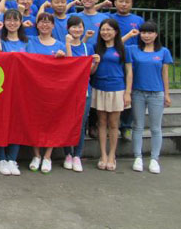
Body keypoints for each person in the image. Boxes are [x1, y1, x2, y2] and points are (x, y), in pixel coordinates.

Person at [125, 21, 173, 174]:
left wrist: (167, 94)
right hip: (137, 93)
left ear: (156, 34)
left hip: (156, 93)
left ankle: (154, 159)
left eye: (150, 32)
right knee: (137, 126)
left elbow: (165, 74)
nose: (147, 35)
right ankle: (137, 157)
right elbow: (115, 46)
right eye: (144, 32)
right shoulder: (133, 49)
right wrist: (129, 35)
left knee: (155, 128)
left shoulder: (163, 52)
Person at [26, 12, 66, 173]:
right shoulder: (30, 41)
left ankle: (48, 156)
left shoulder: (60, 45)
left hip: (53, 89)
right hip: (33, 88)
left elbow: (68, 67)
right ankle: (36, 155)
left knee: (52, 121)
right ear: (37, 25)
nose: (44, 25)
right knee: (34, 121)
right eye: (41, 22)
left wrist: (63, 58)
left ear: (53, 25)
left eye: (48, 22)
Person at [91, 18, 133, 172]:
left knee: (114, 124)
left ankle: (112, 155)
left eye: (109, 29)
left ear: (115, 32)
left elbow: (129, 72)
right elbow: (91, 71)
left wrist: (127, 92)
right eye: (103, 29)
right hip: (99, 87)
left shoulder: (123, 49)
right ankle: (103, 155)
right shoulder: (96, 47)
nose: (105, 32)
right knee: (101, 122)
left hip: (117, 89)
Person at [0, 9, 27, 175]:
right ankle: (1, 159)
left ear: (20, 22)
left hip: (21, 88)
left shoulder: (27, 42)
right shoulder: (1, 40)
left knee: (17, 122)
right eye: (9, 20)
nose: (12, 23)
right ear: (4, 22)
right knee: (1, 121)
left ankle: (12, 159)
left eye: (15, 20)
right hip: (2, 87)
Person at [62, 16, 100, 172]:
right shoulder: (63, 46)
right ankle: (68, 154)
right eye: (74, 27)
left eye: (79, 27)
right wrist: (67, 44)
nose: (77, 30)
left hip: (84, 90)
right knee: (66, 122)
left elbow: (90, 72)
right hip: (68, 91)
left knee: (81, 123)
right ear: (68, 29)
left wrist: (96, 63)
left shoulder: (87, 47)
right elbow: (68, 65)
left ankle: (77, 155)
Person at [108, 0, 144, 141]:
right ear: (115, 3)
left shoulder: (138, 20)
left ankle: (126, 126)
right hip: (113, 58)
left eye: (127, 2)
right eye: (121, 1)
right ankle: (111, 125)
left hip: (133, 59)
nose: (123, 4)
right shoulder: (109, 18)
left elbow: (143, 40)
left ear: (131, 4)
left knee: (130, 92)